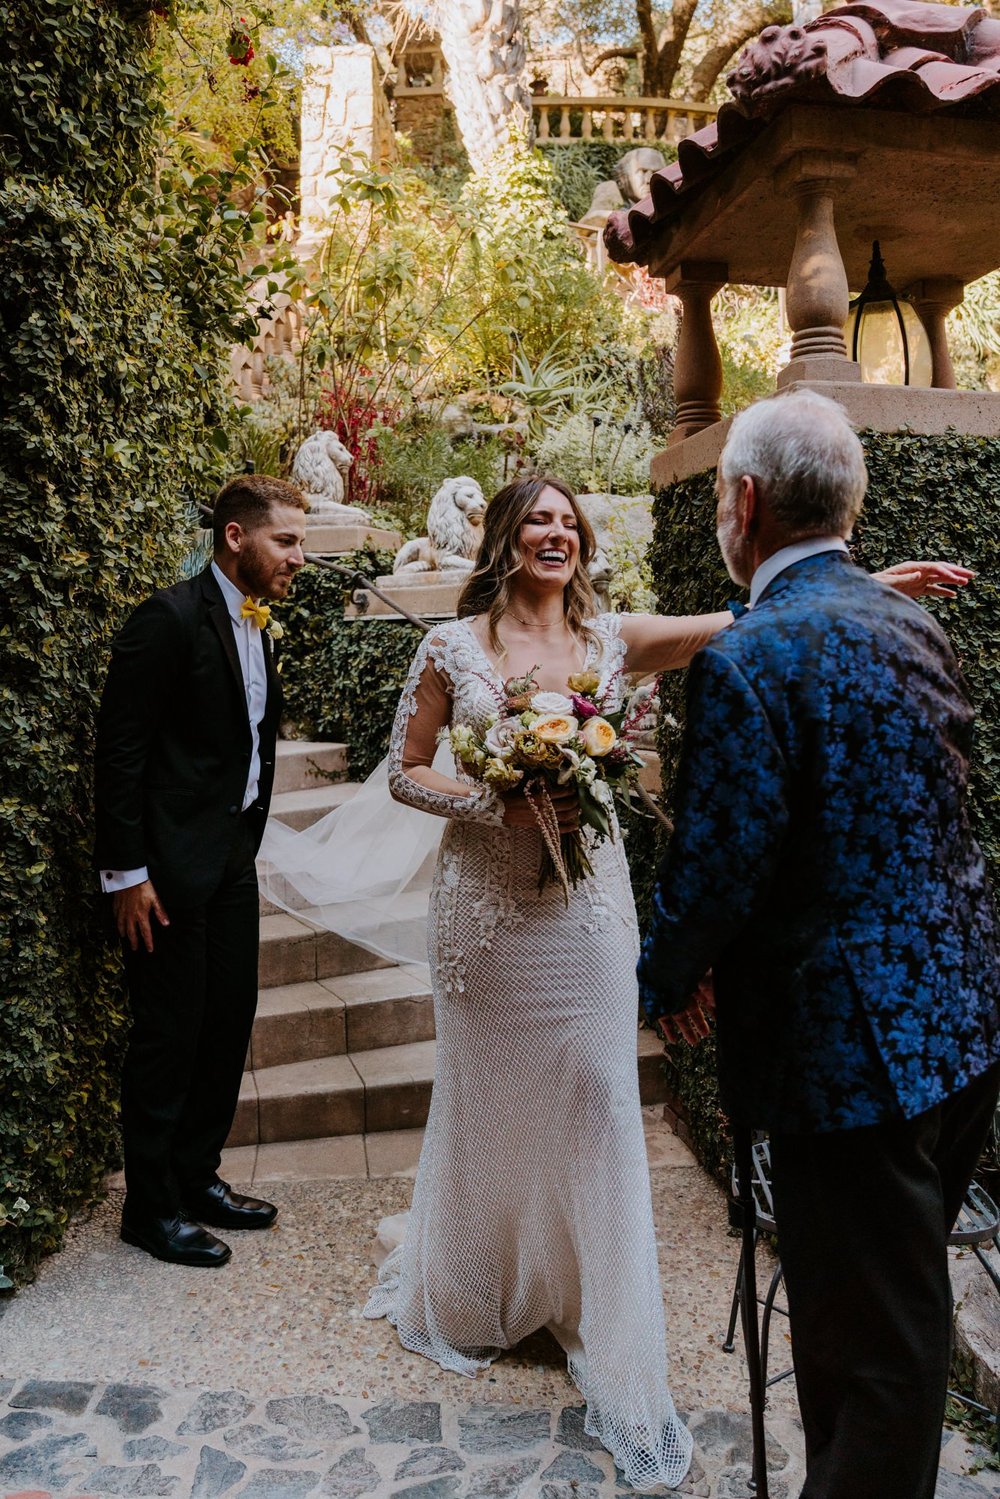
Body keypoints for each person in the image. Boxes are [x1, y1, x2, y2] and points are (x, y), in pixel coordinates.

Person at [333, 471, 970, 1492]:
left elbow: (751, 618)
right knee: (491, 1099)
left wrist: (872, 584)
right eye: (536, 518)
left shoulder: (615, 639)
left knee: (595, 1097)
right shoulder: (452, 646)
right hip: (486, 916)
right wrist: (490, 796)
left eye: (567, 520)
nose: (556, 531)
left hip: (586, 912)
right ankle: (478, 1283)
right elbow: (409, 768)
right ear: (506, 538)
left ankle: (601, 1311)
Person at [638, 390, 1000, 1499]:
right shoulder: (910, 619)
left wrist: (665, 976)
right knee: (865, 1318)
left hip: (846, 1060)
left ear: (742, 503)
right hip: (958, 1030)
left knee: (882, 1345)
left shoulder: (751, 657)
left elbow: (718, 861)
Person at [94, 474, 308, 1268]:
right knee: (168, 1034)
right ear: (236, 538)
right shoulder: (168, 619)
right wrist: (126, 873)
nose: (297, 558)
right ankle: (150, 1208)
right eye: (286, 541)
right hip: (164, 870)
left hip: (229, 863)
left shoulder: (259, 623)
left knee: (228, 1020)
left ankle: (197, 1176)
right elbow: (120, 751)